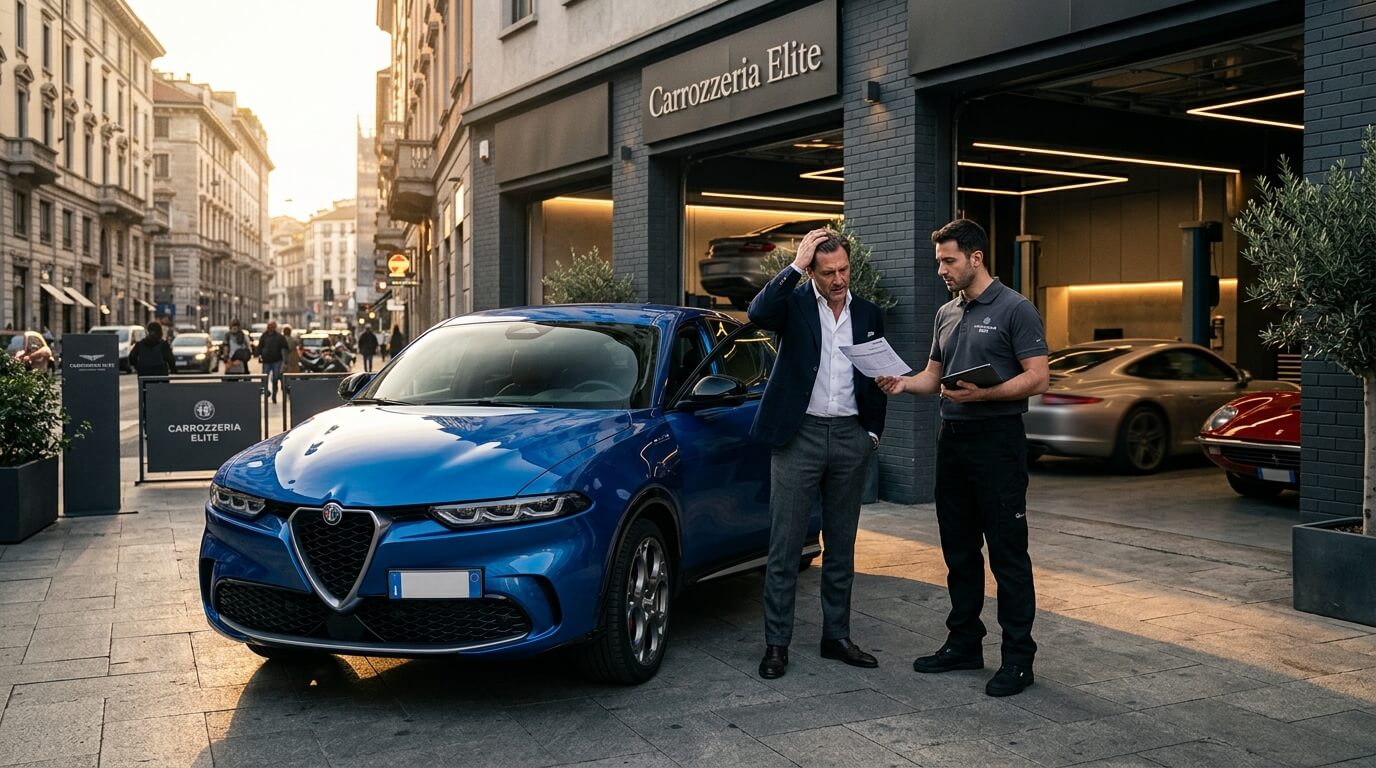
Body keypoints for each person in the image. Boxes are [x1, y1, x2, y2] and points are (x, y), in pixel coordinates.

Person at [876, 219, 1050, 698]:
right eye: (939, 262)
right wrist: (901, 382)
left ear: (976, 258)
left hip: (999, 443)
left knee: (1008, 554)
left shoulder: (1017, 309)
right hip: (951, 441)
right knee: (958, 551)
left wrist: (985, 395)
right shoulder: (947, 313)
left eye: (948, 260)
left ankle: (1018, 659)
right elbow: (935, 376)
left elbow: (1038, 378)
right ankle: (964, 642)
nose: (941, 270)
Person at [747, 228, 887, 680]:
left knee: (842, 547)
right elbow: (756, 313)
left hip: (850, 436)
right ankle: (776, 644)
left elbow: (877, 375)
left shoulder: (868, 313)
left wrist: (872, 434)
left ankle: (837, 637)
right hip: (798, 436)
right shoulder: (793, 304)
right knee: (785, 547)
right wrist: (792, 265)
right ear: (811, 271)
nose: (839, 279)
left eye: (844, 269)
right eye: (828, 272)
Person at [256, 321, 291, 403]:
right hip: (267, 361)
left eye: (271, 326)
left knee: (275, 378)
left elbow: (284, 348)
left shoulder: (279, 337)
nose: (270, 328)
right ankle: (266, 392)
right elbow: (260, 346)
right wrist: (259, 354)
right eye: (269, 326)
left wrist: (284, 361)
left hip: (276, 360)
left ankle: (274, 395)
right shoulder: (264, 336)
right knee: (265, 378)